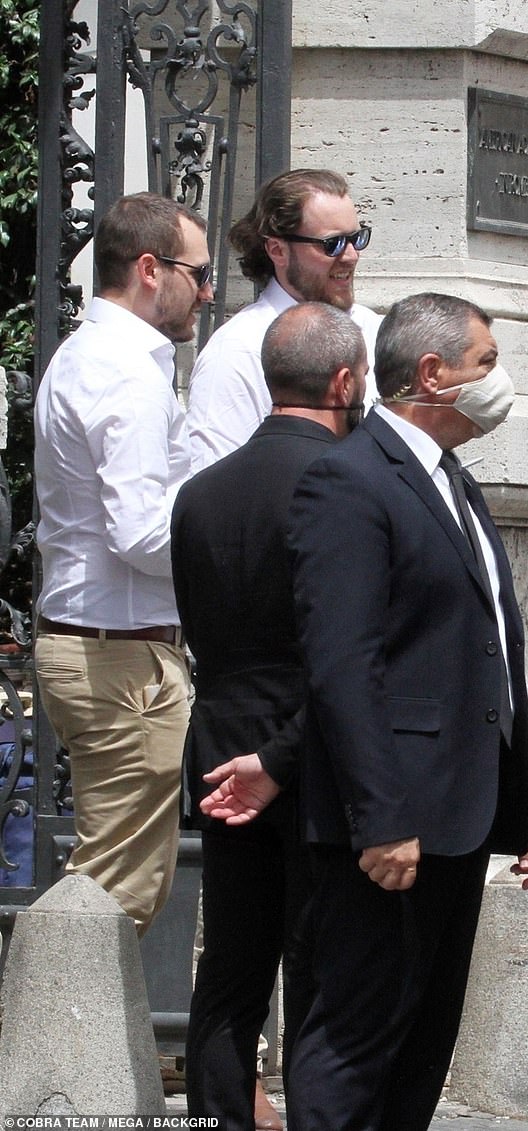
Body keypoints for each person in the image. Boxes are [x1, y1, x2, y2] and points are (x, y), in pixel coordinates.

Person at [204, 292, 528, 1131]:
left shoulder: (452, 481)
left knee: (421, 1048)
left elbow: (489, 657)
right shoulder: (348, 477)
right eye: (486, 363)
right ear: (431, 374)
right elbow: (342, 664)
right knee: (352, 1046)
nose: (498, 381)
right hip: (392, 826)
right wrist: (381, 817)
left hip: (461, 816)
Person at [172, 302, 368, 1129]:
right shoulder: (348, 486)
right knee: (319, 968)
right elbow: (349, 650)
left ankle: (220, 1114)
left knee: (231, 970)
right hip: (311, 753)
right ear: (347, 381)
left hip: (223, 750)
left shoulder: (199, 494)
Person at [33, 191, 212, 934]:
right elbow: (142, 535)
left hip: (107, 649)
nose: (206, 290)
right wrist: (230, 548)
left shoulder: (93, 356)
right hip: (120, 659)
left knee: (111, 891)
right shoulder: (127, 374)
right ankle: (53, 1049)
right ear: (149, 268)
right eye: (198, 274)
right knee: (111, 898)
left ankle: (66, 1045)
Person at [187, 167, 382, 470]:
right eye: (332, 244)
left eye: (356, 238)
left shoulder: (371, 329)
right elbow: (217, 483)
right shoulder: (237, 351)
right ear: (277, 249)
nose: (351, 256)